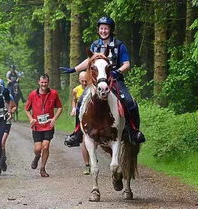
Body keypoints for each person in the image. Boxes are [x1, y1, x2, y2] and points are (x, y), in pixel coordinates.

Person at [59, 16, 146, 145]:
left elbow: (126, 64)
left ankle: (134, 131)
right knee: (81, 101)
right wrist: (74, 69)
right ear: (98, 30)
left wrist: (118, 71)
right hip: (97, 81)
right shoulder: (95, 45)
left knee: (129, 101)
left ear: (110, 30)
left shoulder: (119, 45)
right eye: (101, 28)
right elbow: (89, 61)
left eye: (106, 28)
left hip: (115, 80)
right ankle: (77, 133)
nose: (103, 31)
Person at [25, 74, 63, 177]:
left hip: (48, 125)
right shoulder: (33, 94)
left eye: (45, 82)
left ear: (48, 82)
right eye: (42, 82)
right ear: (39, 82)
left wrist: (54, 118)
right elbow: (27, 109)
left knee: (45, 146)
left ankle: (42, 168)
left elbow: (60, 107)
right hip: (37, 125)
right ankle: (37, 156)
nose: (44, 84)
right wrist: (31, 119)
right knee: (38, 148)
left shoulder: (54, 93)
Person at [65, 71, 91, 175]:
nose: (84, 83)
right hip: (81, 119)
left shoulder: (93, 88)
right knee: (83, 141)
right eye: (82, 81)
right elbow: (74, 101)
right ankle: (87, 165)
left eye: (86, 80)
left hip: (92, 118)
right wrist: (73, 108)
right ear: (79, 80)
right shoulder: (76, 90)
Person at [0, 94, 17, 172]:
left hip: (7, 121)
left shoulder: (9, 96)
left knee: (2, 142)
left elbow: (14, 106)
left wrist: (11, 111)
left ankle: (0, 162)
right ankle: (1, 160)